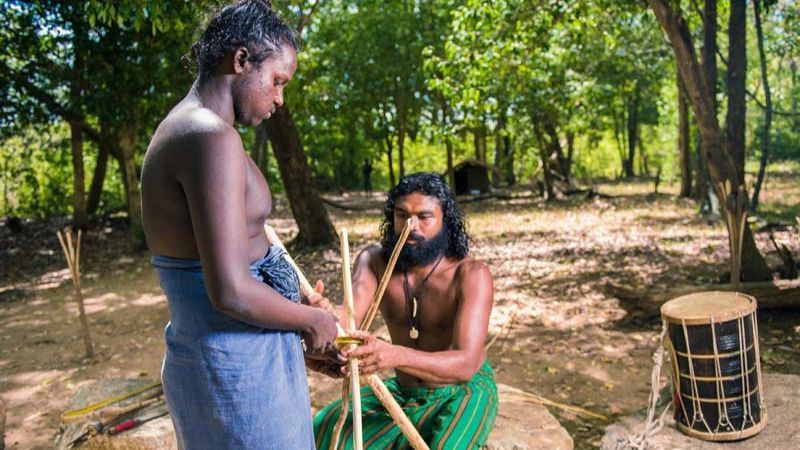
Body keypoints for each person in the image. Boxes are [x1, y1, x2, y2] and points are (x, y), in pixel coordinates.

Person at [140, 1, 339, 448]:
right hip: (234, 368)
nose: (279, 99)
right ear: (241, 60)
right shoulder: (207, 135)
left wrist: (296, 305)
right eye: (277, 81)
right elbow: (230, 289)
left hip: (238, 358)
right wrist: (310, 320)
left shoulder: (199, 130)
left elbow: (243, 249)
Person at [311, 172, 497, 449]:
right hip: (404, 392)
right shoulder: (374, 262)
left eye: (424, 217)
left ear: (446, 219)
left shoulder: (471, 275)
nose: (411, 226)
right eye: (402, 215)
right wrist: (319, 315)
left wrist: (394, 355)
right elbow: (348, 320)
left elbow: (465, 365)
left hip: (463, 391)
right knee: (323, 429)